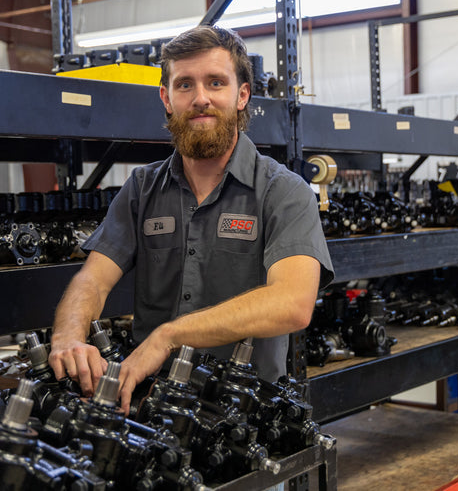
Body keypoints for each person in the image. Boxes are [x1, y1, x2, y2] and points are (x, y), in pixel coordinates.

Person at [49, 25, 334, 414]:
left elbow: (293, 303)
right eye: (185, 85)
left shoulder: (284, 192)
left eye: (216, 83)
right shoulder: (142, 189)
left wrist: (169, 336)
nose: (201, 98)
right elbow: (93, 280)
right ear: (167, 98)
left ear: (242, 95)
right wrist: (67, 337)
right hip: (151, 407)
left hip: (247, 415)